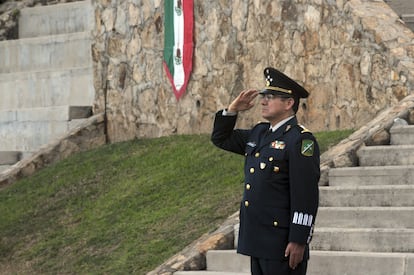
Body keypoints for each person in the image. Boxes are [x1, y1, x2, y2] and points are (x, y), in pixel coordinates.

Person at [211, 67, 320, 275]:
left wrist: (299, 239)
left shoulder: (300, 140)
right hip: (257, 239)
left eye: (271, 97)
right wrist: (232, 109)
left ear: (289, 103)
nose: (263, 101)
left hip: (281, 243)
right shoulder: (259, 133)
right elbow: (220, 138)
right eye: (264, 96)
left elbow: (305, 194)